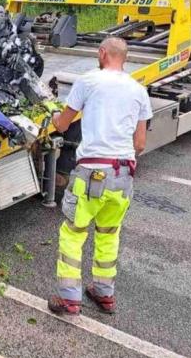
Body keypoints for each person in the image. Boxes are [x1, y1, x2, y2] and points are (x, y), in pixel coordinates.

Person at [48, 36, 152, 316]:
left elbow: (63, 123)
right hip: (123, 176)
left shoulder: (89, 81)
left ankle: (69, 298)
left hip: (91, 173)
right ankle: (104, 294)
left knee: (73, 233)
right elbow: (140, 144)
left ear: (103, 53)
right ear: (124, 58)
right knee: (108, 234)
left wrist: (55, 118)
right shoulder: (138, 90)